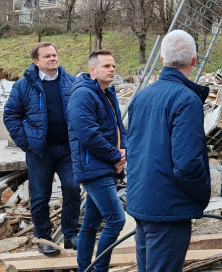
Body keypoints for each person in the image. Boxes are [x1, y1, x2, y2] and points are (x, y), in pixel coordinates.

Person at [126, 30, 211, 272]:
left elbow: (134, 151)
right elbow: (187, 165)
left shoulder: (140, 97)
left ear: (162, 60)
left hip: (143, 203)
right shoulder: (186, 100)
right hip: (168, 210)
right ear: (194, 60)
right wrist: (200, 196)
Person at [3, 42, 80, 256]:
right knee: (39, 196)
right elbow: (10, 115)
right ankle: (44, 238)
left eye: (54, 55)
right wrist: (25, 142)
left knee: (73, 189)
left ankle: (71, 235)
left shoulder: (71, 82)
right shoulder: (23, 86)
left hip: (67, 150)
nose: (53, 59)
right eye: (47, 56)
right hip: (39, 152)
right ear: (36, 62)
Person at [67, 50, 126, 272]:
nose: (112, 69)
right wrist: (115, 156)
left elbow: (120, 127)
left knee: (90, 225)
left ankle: (85, 268)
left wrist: (123, 152)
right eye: (106, 66)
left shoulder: (106, 93)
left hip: (106, 165)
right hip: (93, 167)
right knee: (116, 220)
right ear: (92, 70)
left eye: (113, 65)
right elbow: (88, 135)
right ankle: (99, 269)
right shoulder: (83, 95)